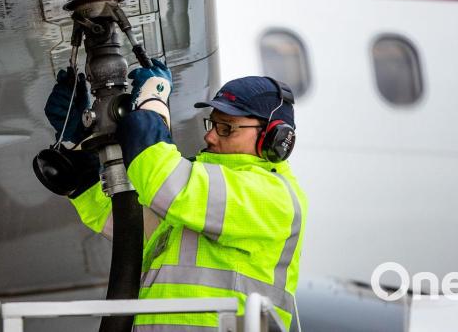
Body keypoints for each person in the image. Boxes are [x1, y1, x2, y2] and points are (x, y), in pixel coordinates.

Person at [41, 60, 307, 331]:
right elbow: (128, 227)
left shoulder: (273, 196)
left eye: (226, 128)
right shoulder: (201, 200)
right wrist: (81, 158)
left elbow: (167, 185)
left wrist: (153, 103)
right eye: (212, 125)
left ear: (274, 138)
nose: (211, 137)